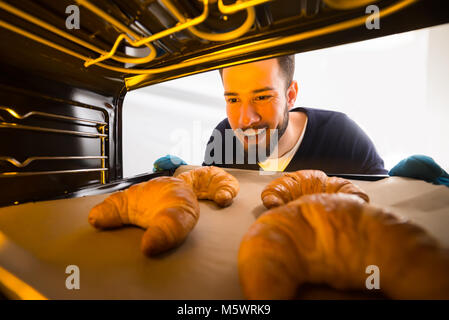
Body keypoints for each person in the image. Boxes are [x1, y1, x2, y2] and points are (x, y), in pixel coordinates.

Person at [202, 55, 387, 174]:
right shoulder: (223, 138)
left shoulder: (342, 138)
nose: (246, 119)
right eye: (233, 100)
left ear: (290, 96)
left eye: (262, 97)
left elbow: (386, 205)